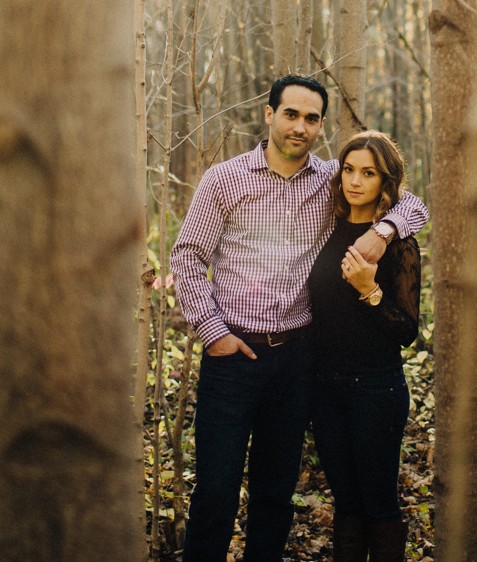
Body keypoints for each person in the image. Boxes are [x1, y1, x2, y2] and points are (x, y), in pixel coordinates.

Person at [170, 76, 429, 562]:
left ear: (321, 127)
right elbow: (186, 257)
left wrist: (383, 232)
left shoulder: (332, 180)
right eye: (291, 114)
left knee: (274, 497)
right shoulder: (224, 180)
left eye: (311, 119)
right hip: (232, 357)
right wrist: (214, 334)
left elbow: (412, 202)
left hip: (296, 363)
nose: (300, 126)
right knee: (216, 495)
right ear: (270, 115)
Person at [307, 131, 420, 562]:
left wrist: (370, 291)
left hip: (376, 389)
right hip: (324, 388)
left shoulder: (397, 242)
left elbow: (406, 331)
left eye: (368, 173)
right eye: (349, 170)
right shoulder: (326, 229)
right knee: (347, 504)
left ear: (384, 183)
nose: (355, 181)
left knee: (378, 503)